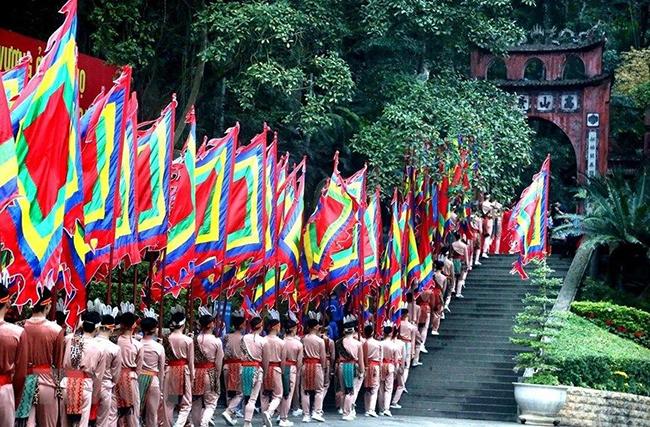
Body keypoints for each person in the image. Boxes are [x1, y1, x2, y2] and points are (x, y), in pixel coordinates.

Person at [19, 287, 65, 427]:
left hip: (23, 382)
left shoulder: (19, 327)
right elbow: (58, 365)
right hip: (47, 383)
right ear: (48, 305)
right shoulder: (56, 330)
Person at [60, 303, 105, 427]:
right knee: (82, 424)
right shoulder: (100, 347)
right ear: (97, 328)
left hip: (66, 383)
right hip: (85, 385)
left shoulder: (69, 339)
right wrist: (95, 397)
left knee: (65, 423)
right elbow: (99, 376)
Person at [0, 279, 27, 427]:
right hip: (4, 392)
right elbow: (21, 375)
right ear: (7, 303)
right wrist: (15, 399)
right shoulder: (17, 333)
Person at [191, 306, 223, 427]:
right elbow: (218, 363)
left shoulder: (193, 340)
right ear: (211, 324)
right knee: (211, 403)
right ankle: (204, 423)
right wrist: (217, 376)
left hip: (195, 372)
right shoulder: (216, 341)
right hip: (210, 373)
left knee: (196, 403)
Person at [163, 306, 194, 427]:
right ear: (183, 325)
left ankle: (169, 424)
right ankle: (179, 424)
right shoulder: (188, 340)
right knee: (186, 403)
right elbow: (191, 362)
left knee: (171, 402)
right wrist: (192, 376)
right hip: (183, 371)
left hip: (170, 371)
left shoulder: (167, 339)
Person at [94, 303, 122, 427]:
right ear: (112, 329)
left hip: (88, 383)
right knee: (103, 420)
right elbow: (116, 373)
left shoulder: (91, 343)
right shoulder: (114, 348)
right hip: (105, 384)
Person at [115, 303, 143, 427]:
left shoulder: (115, 341)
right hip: (131, 377)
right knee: (133, 409)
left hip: (116, 377)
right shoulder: (138, 345)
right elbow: (139, 368)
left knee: (118, 409)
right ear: (133, 325)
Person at [237, 312, 266, 427]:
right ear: (260, 326)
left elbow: (240, 354)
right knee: (252, 398)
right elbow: (265, 359)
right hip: (256, 369)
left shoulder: (244, 338)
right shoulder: (263, 341)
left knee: (245, 396)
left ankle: (243, 417)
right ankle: (247, 422)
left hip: (244, 368)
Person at [139, 309, 165, 427]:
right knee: (152, 413)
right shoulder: (159, 347)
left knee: (136, 412)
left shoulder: (136, 344)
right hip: (153, 379)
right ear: (154, 329)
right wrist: (162, 387)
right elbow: (161, 369)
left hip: (139, 378)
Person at [336, 314, 364, 421]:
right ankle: (347, 413)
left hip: (341, 366)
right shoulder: (358, 344)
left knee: (343, 390)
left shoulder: (338, 342)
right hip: (351, 366)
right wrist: (361, 371)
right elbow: (360, 361)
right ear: (353, 330)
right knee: (350, 391)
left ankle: (344, 409)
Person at [300, 311, 326, 423]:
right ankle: (317, 412)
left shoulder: (303, 339)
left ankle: (306, 415)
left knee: (305, 391)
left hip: (306, 365)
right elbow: (323, 357)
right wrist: (324, 368)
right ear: (315, 327)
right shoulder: (320, 341)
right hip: (317, 366)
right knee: (319, 390)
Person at [221, 310, 245, 426]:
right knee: (239, 393)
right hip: (239, 366)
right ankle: (229, 411)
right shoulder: (244, 339)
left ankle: (231, 415)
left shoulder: (226, 337)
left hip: (227, 366)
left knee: (229, 392)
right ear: (241, 325)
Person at [278, 311, 302, 427]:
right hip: (291, 368)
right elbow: (299, 362)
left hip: (280, 368)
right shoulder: (298, 344)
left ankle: (279, 414)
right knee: (288, 394)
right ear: (293, 329)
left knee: (280, 393)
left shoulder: (281, 342)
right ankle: (284, 418)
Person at [261, 309, 284, 427]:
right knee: (278, 395)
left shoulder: (263, 340)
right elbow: (283, 360)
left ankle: (264, 422)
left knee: (264, 395)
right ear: (275, 326)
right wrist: (283, 372)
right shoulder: (281, 342)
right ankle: (269, 413)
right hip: (276, 369)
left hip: (264, 369)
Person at [391, 307, 415, 409]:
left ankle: (397, 381)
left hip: (398, 343)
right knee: (406, 366)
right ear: (407, 315)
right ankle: (402, 383)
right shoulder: (411, 326)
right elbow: (413, 340)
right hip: (407, 344)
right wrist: (413, 351)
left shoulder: (398, 324)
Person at [377, 321, 397, 417]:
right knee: (388, 389)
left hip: (380, 366)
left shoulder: (379, 344)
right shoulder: (394, 345)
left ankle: (381, 409)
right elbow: (396, 360)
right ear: (391, 333)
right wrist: (396, 370)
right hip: (390, 366)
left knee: (380, 388)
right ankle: (386, 408)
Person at [362, 323, 382, 418]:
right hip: (375, 366)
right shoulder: (378, 344)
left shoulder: (363, 344)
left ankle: (367, 409)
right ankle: (371, 409)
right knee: (374, 388)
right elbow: (381, 358)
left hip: (366, 366)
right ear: (373, 332)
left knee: (367, 389)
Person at [451, 232, 470, 298]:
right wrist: (468, 264)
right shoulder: (464, 245)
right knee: (460, 278)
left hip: (454, 261)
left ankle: (452, 289)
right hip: (461, 261)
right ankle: (458, 293)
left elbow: (451, 254)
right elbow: (466, 256)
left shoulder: (452, 244)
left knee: (454, 276)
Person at [430, 261, 447, 336]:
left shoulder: (431, 275)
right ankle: (435, 328)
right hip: (438, 294)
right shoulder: (444, 277)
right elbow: (444, 289)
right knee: (438, 312)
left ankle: (430, 324)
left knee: (431, 310)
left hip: (431, 293)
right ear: (442, 267)